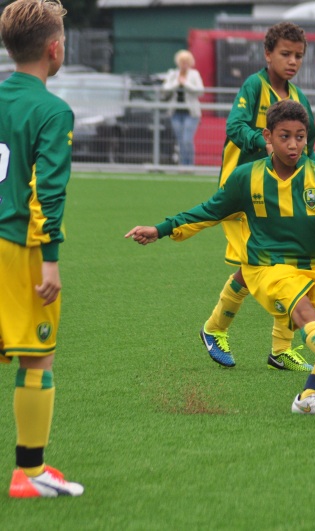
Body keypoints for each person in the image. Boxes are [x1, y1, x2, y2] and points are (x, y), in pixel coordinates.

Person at [126, 100, 315, 417]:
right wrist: (160, 229)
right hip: (267, 268)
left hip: (312, 267)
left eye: (300, 136)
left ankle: (309, 395)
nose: (294, 144)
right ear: (268, 136)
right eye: (285, 136)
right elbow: (207, 211)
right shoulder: (246, 177)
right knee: (304, 312)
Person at [0, 0, 84, 497]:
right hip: (16, 248)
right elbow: (47, 188)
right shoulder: (52, 110)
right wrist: (50, 260)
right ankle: (29, 473)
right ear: (54, 49)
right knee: (37, 358)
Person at [201, 22, 315, 371]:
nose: (292, 61)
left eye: (298, 55)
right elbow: (234, 127)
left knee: (288, 263)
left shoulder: (299, 99)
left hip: (279, 199)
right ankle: (215, 329)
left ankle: (279, 348)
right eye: (285, 53)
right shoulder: (254, 86)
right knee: (266, 266)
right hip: (241, 195)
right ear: (267, 54)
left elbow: (308, 149)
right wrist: (264, 142)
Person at [162, 50, 204, 166]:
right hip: (175, 113)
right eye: (181, 61)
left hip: (191, 113)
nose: (184, 64)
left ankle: (189, 165)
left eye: (186, 61)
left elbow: (200, 91)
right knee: (180, 140)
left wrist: (185, 84)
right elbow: (165, 89)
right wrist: (177, 83)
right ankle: (182, 165)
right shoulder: (172, 74)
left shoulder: (194, 74)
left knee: (187, 140)